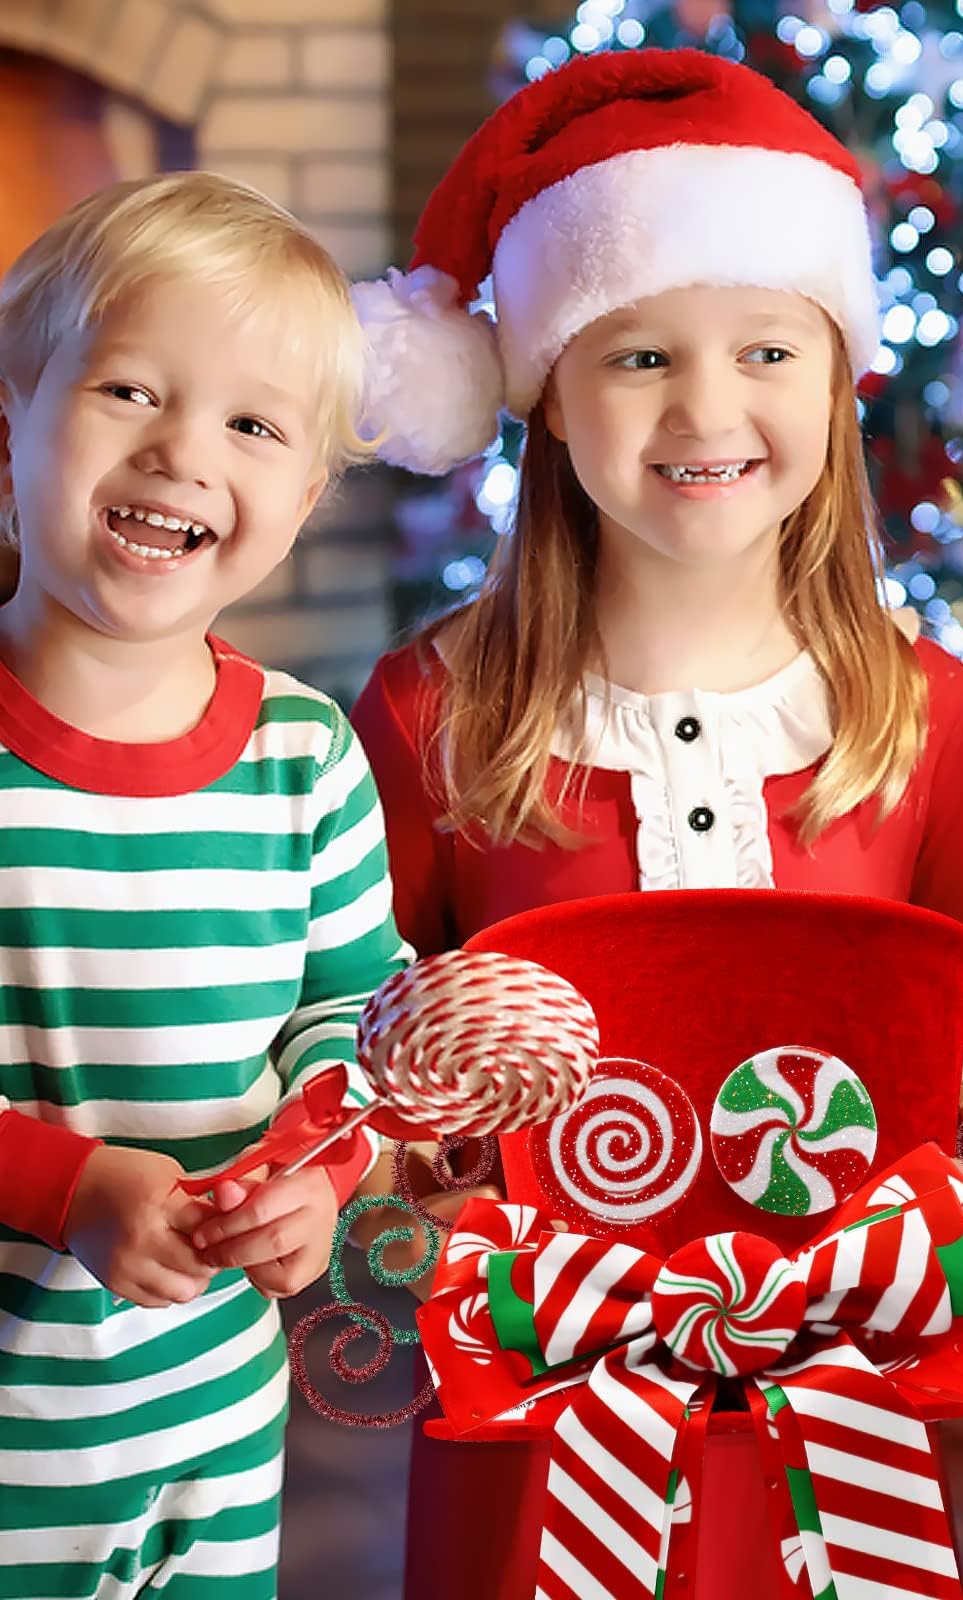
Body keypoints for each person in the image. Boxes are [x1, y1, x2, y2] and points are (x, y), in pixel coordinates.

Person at [346, 46, 963, 1600]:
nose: (707, 410)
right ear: (543, 395)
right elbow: (365, 1018)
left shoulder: (923, 717)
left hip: (844, 1395)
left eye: (767, 352)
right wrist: (415, 1159)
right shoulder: (427, 715)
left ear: (841, 375)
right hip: (536, 1393)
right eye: (639, 356)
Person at [0, 171, 408, 1597]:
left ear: (298, 499)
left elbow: (357, 1026)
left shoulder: (302, 758)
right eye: (127, 391)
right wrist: (63, 1188)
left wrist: (325, 1170)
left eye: (248, 426)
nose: (182, 453)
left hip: (216, 1430)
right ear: (12, 422)